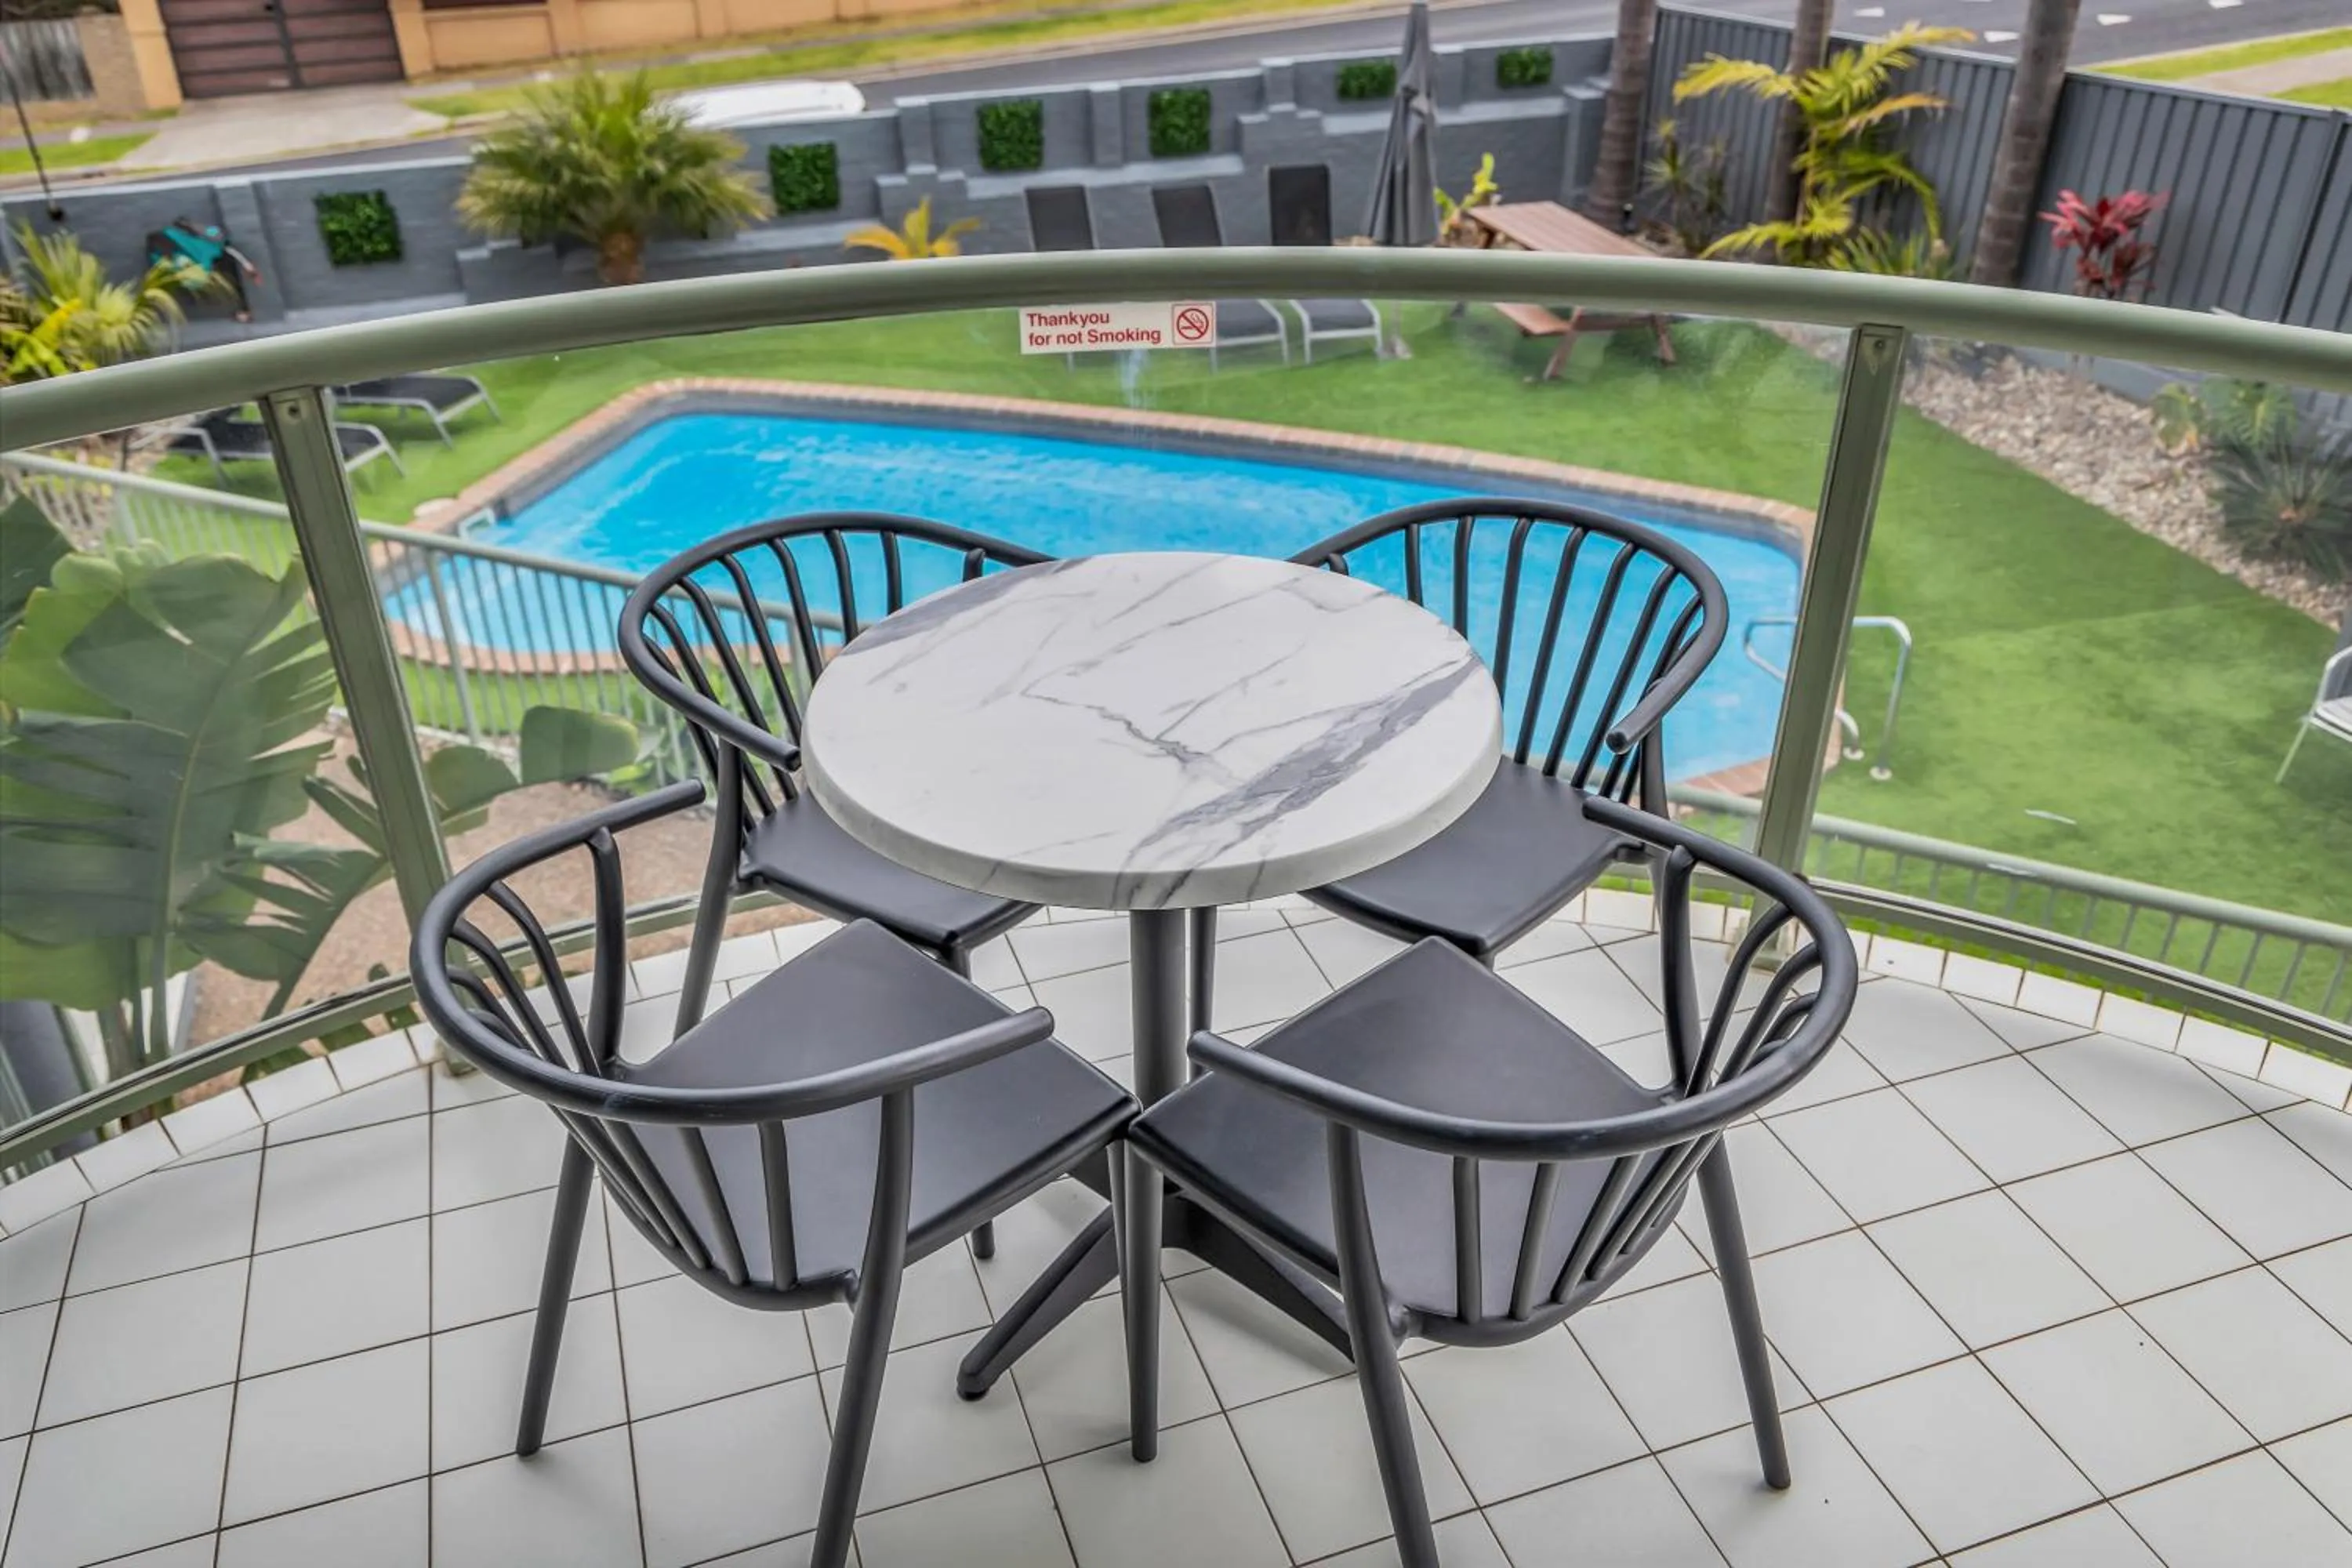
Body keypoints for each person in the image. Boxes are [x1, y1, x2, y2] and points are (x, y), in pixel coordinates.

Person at [149, 216, 263, 322]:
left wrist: (246, 265)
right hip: (203, 261)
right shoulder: (177, 254)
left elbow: (217, 238)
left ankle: (245, 309)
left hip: (207, 257)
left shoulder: (207, 246)